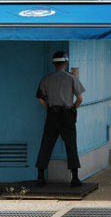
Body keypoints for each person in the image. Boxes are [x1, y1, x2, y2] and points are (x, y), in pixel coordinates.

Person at [35, 51, 86, 187]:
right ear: (66, 63)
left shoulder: (46, 79)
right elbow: (80, 99)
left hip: (52, 113)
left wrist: (49, 107)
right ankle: (74, 178)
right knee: (71, 145)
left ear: (53, 63)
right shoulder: (71, 78)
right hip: (67, 114)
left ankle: (40, 176)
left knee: (46, 143)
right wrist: (73, 108)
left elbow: (40, 99)